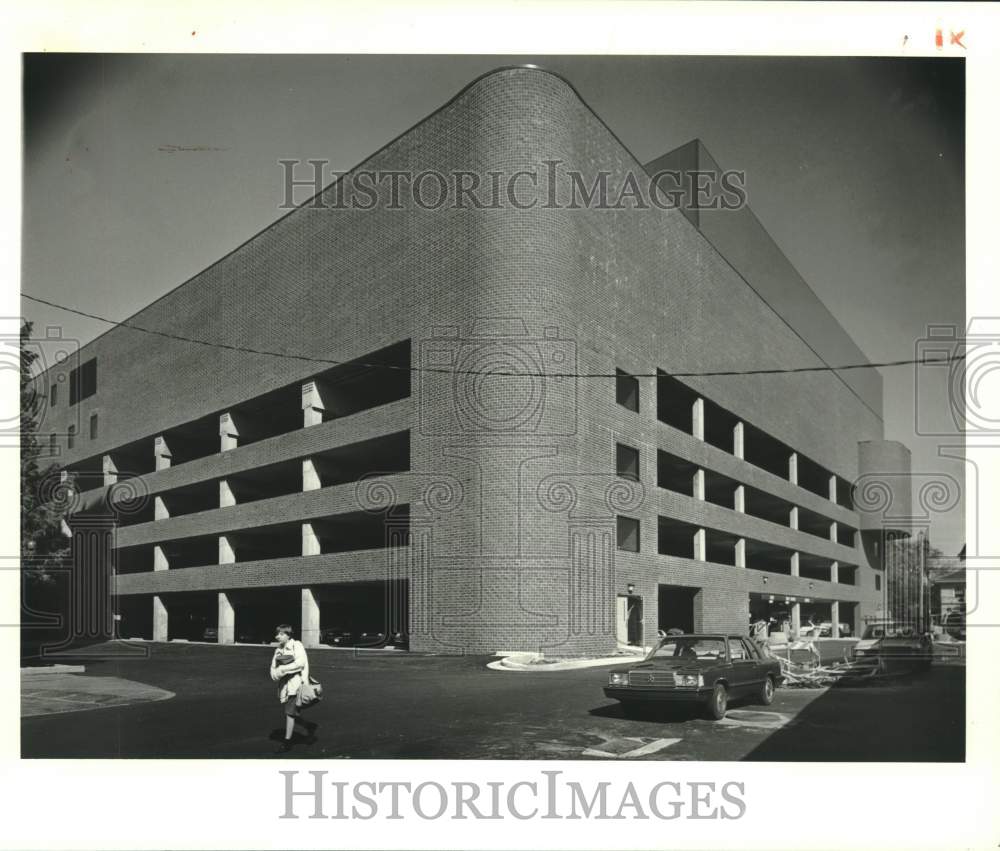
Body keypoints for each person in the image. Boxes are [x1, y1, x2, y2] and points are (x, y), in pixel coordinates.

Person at [269, 624, 316, 753]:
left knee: (289, 712)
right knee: (292, 711)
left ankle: (287, 742)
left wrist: (282, 669)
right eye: (277, 634)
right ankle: (308, 726)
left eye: (281, 634)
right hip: (284, 686)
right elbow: (273, 669)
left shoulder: (297, 645)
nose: (277, 636)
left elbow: (300, 663)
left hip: (296, 684)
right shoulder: (278, 650)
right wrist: (275, 674)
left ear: (288, 635)